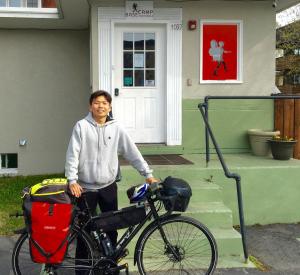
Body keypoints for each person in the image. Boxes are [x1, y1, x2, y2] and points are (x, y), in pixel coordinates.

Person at [65, 90, 157, 252]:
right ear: (90, 106)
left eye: (104, 103)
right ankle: (83, 269)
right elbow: (73, 154)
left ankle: (110, 266)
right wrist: (72, 180)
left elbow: (132, 152)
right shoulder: (81, 126)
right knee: (84, 232)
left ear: (109, 107)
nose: (100, 106)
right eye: (96, 103)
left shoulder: (117, 128)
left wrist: (148, 175)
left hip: (108, 186)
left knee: (111, 228)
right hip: (85, 188)